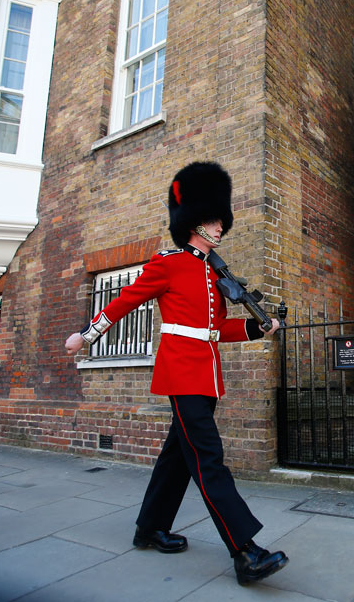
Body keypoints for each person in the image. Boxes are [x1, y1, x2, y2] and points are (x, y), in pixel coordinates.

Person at [64, 161, 288, 585]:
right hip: (181, 372)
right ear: (192, 222)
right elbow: (125, 300)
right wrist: (87, 336)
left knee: (177, 458)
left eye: (221, 220)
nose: (220, 227)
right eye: (211, 219)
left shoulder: (212, 272)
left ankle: (148, 529)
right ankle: (245, 552)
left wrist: (257, 327)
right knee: (208, 460)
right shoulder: (168, 263)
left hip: (206, 375)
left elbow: (215, 329)